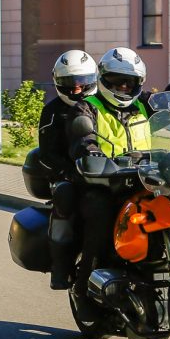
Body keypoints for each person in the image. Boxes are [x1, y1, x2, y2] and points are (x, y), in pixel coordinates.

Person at [67, 22, 170, 309]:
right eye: (118, 81)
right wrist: (95, 158)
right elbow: (84, 139)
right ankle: (83, 288)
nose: (124, 87)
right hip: (104, 182)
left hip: (146, 180)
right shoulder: (87, 107)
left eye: (130, 82)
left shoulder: (144, 103)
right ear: (104, 79)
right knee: (99, 217)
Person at [37, 50, 99, 289]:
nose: (75, 90)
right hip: (68, 175)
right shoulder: (52, 111)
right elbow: (47, 154)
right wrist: (69, 172)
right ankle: (60, 266)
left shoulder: (100, 104)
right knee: (65, 195)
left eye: (81, 83)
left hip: (103, 171)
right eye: (68, 84)